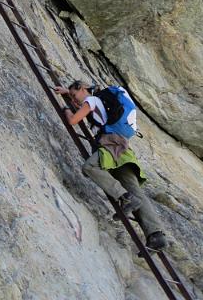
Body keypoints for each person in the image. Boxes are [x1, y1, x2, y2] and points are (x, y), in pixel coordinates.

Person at [55, 79, 167, 251]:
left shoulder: (91, 101)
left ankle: (124, 197)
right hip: (122, 147)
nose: (75, 100)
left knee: (90, 167)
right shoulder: (100, 102)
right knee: (134, 189)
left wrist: (66, 109)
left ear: (82, 88)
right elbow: (85, 107)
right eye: (72, 98)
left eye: (75, 95)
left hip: (109, 144)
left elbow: (73, 120)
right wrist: (67, 92)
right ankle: (156, 235)